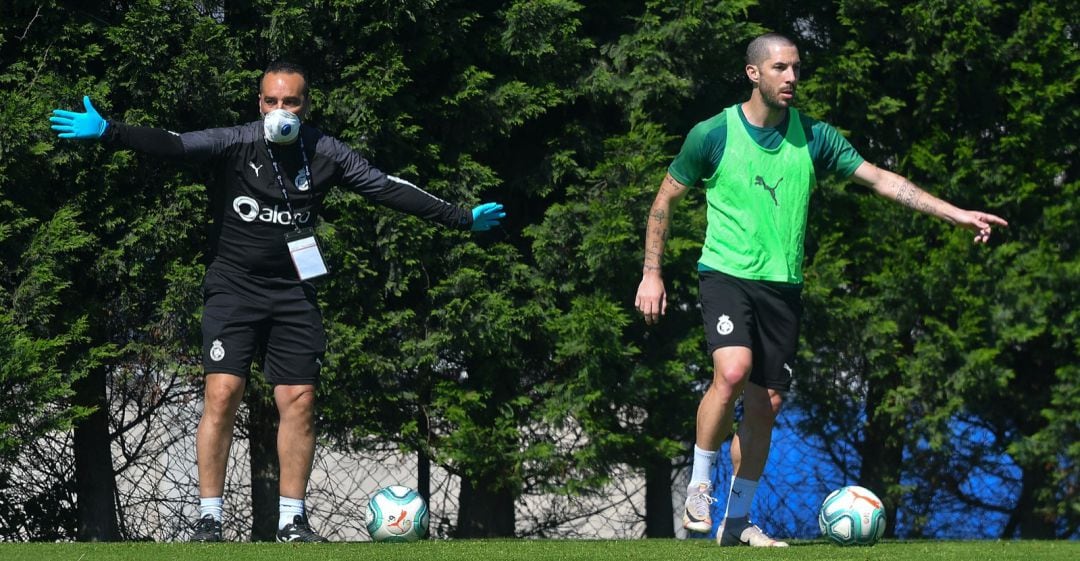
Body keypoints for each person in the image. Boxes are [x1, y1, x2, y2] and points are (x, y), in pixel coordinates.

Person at [49, 61, 505, 543]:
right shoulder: (238, 140)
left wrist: (459, 218)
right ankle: (209, 519)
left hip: (293, 291)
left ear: (305, 106)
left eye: (291, 102)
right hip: (233, 286)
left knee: (299, 399)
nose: (281, 110)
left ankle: (292, 520)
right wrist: (109, 131)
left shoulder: (326, 151)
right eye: (272, 101)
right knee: (222, 393)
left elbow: (386, 187)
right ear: (259, 104)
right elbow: (178, 144)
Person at [633, 33, 1007, 547]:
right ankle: (700, 485)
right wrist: (652, 272)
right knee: (733, 370)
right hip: (726, 274)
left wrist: (955, 213)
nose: (791, 78)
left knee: (766, 407)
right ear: (754, 74)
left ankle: (738, 523)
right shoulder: (713, 134)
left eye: (796, 68)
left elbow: (880, 179)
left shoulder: (814, 136)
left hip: (783, 288)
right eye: (781, 68)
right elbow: (664, 199)